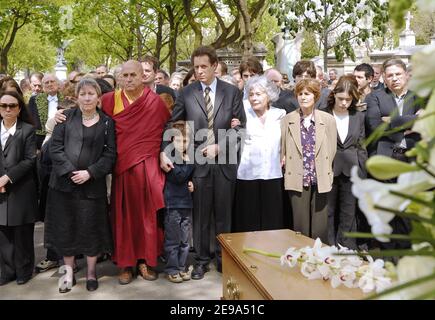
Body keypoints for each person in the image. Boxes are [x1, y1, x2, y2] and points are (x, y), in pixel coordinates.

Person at [160, 46, 246, 280]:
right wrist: (165, 152)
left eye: (203, 67)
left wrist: (220, 146)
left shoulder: (231, 93)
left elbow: (241, 130)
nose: (199, 71)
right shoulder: (187, 93)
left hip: (225, 162)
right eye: (195, 67)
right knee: (200, 215)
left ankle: (223, 259)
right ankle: (201, 260)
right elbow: (173, 124)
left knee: (223, 215)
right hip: (197, 163)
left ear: (215, 65)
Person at [102, 60, 170, 284]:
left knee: (147, 217)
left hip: (147, 166)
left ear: (144, 76)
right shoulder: (110, 100)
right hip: (122, 166)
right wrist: (61, 118)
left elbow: (166, 131)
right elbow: (90, 119)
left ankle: (145, 260)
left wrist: (162, 153)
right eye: (125, 75)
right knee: (123, 217)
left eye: (133, 75)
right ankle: (125, 263)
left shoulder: (155, 102)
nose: (129, 79)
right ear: (119, 78)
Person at [44, 78, 116, 293]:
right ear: (76, 97)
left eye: (91, 93)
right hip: (63, 186)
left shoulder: (107, 122)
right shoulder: (64, 118)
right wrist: (69, 171)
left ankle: (92, 273)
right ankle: (67, 274)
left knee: (91, 229)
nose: (86, 98)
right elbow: (54, 148)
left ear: (98, 96)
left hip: (92, 186)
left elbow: (110, 154)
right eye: (82, 94)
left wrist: (90, 173)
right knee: (66, 229)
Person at [365, 58, 424, 250]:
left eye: (398, 74)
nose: (394, 79)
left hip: (412, 159)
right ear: (383, 77)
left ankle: (407, 253)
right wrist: (411, 121)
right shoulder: (375, 97)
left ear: (406, 75)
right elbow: (375, 126)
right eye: (389, 75)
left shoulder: (419, 97)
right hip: (386, 160)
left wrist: (391, 121)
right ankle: (388, 255)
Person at [281, 79, 336, 243]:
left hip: (319, 175)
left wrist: (324, 168)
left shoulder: (327, 120)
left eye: (307, 93)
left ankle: (319, 258)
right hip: (297, 175)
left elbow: (332, 149)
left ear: (316, 96)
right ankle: (300, 256)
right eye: (300, 94)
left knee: (320, 225)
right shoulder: (288, 119)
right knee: (300, 224)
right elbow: (283, 147)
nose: (303, 97)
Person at [233, 76, 285, 232]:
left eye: (259, 94)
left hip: (272, 174)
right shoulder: (242, 113)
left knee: (272, 221)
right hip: (247, 174)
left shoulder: (280, 114)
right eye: (251, 94)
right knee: (248, 222)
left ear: (268, 95)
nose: (254, 98)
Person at [0, 90, 38, 286]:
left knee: (22, 233)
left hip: (21, 189)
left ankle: (24, 270)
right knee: (3, 234)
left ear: (19, 108)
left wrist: (6, 178)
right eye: (3, 106)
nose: (7, 109)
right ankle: (7, 271)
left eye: (12, 106)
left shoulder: (28, 130)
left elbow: (30, 160)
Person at [325, 76, 367, 249]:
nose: (344, 103)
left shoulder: (358, 116)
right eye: (341, 98)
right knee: (328, 211)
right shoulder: (324, 113)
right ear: (334, 94)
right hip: (328, 168)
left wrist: (363, 174)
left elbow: (362, 145)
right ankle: (328, 247)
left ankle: (345, 248)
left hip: (352, 168)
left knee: (348, 212)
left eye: (348, 100)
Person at [162, 121, 194, 283]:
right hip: (172, 204)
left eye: (186, 141)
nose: (183, 144)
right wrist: (189, 163)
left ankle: (182, 267)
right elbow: (178, 176)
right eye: (179, 141)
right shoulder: (169, 157)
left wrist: (192, 181)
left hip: (186, 204)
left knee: (185, 240)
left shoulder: (188, 156)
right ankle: (172, 268)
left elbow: (188, 177)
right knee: (173, 239)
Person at [28, 74, 63, 150]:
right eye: (46, 82)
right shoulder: (35, 99)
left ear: (58, 84)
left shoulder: (65, 99)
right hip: (40, 140)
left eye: (52, 81)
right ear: (43, 86)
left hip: (62, 138)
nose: (50, 84)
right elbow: (30, 122)